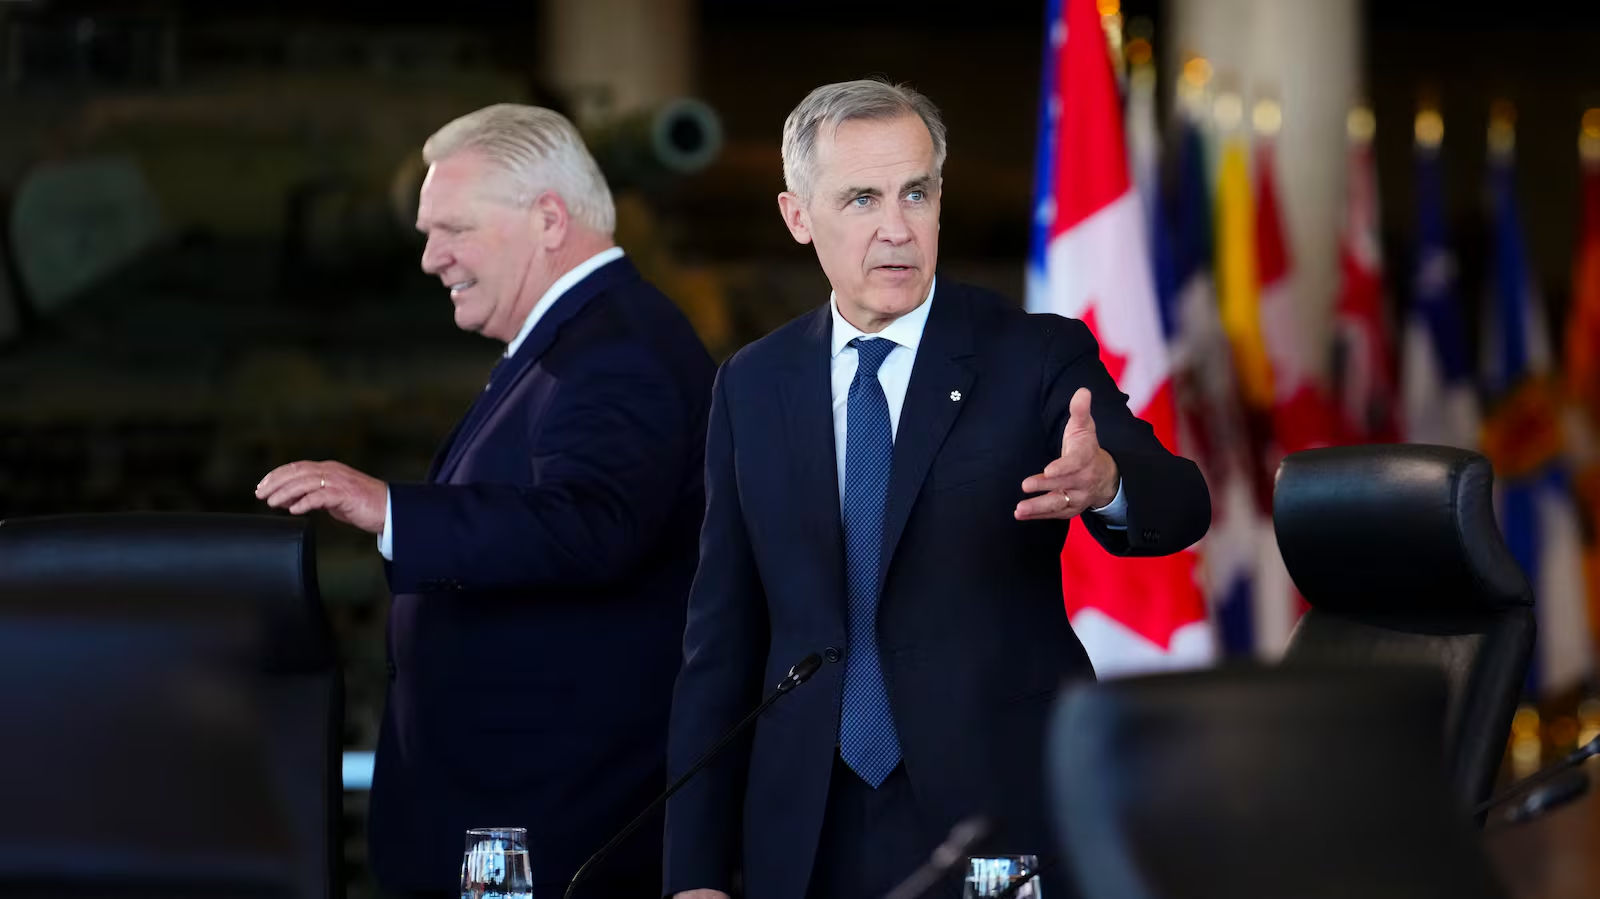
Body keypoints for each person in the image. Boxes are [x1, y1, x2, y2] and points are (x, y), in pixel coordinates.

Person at [663, 80, 1210, 899]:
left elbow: (1182, 500)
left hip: (993, 818)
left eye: (916, 193)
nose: (897, 227)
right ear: (798, 215)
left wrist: (1109, 482)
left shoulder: (1033, 355)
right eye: (862, 198)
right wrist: (695, 873)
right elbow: (721, 641)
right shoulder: (753, 382)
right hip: (805, 827)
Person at [255, 104, 715, 898]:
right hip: (515, 823)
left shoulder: (615, 351)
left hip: (548, 832)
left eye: (454, 229)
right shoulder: (579, 340)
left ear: (548, 219)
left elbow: (591, 525)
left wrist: (392, 511)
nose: (431, 257)